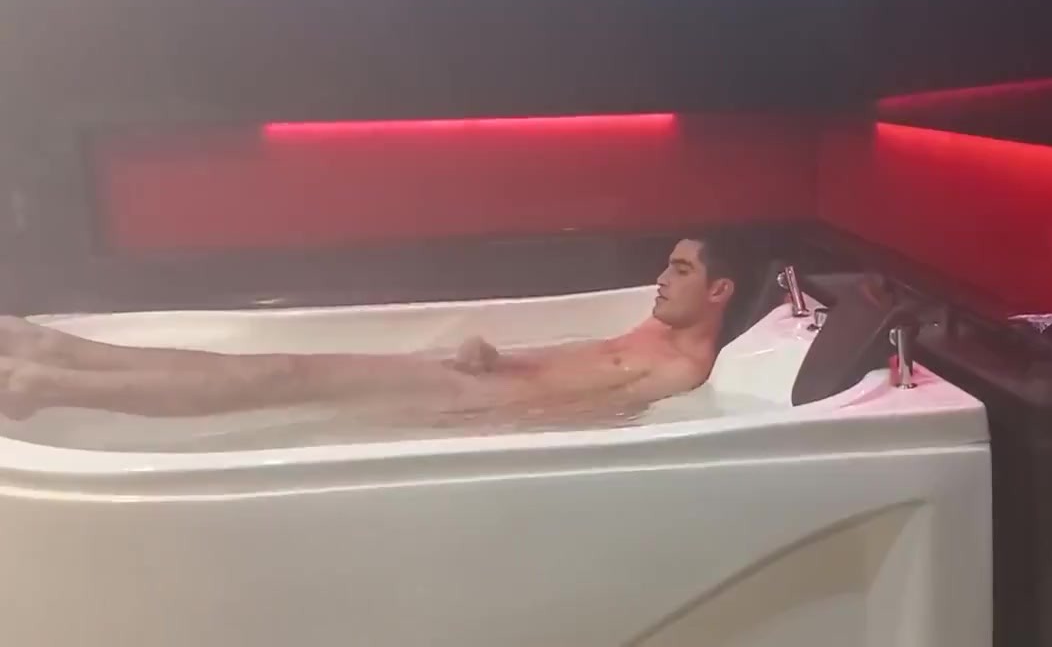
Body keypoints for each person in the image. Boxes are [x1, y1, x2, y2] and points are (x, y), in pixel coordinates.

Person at [0, 235, 752, 429]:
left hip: (457, 405)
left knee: (272, 379)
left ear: (719, 291)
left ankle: (49, 383)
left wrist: (477, 414)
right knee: (274, 370)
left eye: (680, 269)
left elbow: (586, 409)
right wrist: (498, 357)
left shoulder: (681, 367)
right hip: (465, 379)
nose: (661, 278)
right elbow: (572, 366)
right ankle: (59, 353)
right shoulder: (653, 329)